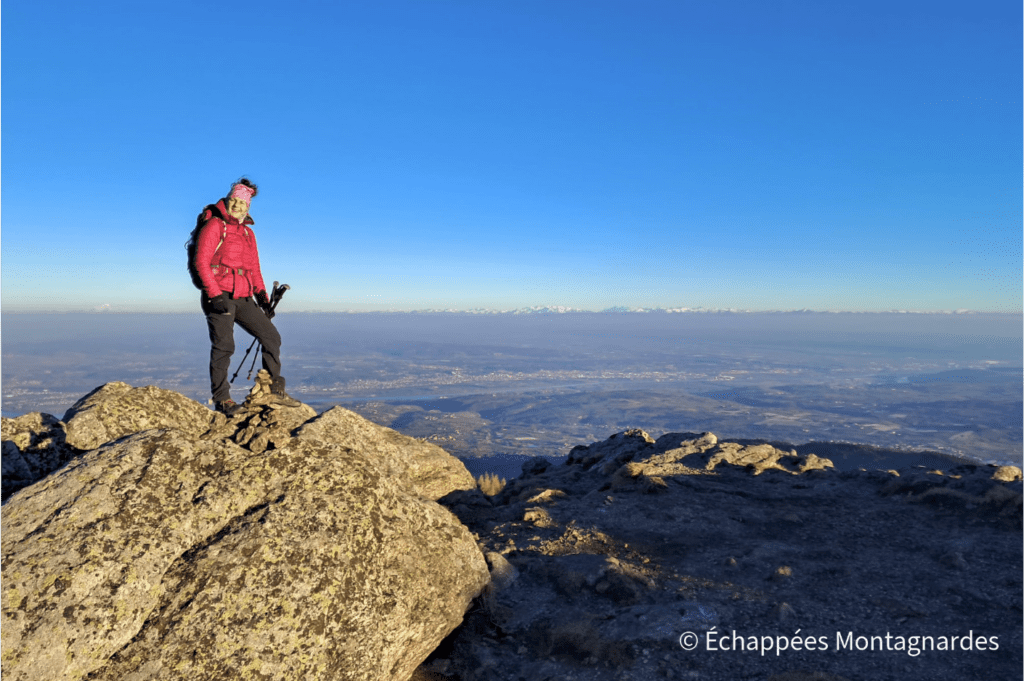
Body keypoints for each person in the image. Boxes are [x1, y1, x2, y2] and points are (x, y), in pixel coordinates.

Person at [194, 178, 301, 415]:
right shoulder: (215, 226)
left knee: (271, 336)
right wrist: (214, 295)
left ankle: (272, 389)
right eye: (233, 200)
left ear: (248, 206)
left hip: (243, 297)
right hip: (218, 295)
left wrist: (262, 297)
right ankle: (223, 400)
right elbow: (201, 262)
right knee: (224, 347)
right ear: (228, 200)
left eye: (241, 203)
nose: (236, 205)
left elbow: (253, 269)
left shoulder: (248, 234)